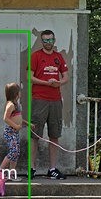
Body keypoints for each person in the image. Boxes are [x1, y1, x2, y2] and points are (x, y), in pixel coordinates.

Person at [30, 29, 69, 180]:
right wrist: (46, 83)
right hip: (39, 98)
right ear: (41, 41)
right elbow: (30, 77)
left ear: (54, 40)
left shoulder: (58, 57)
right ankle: (32, 168)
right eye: (45, 40)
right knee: (35, 134)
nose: (48, 43)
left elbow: (66, 76)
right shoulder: (36, 56)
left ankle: (52, 168)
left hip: (56, 100)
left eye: (50, 40)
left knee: (54, 135)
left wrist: (58, 83)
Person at [0, 82, 25, 181]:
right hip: (10, 131)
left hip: (15, 131)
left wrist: (27, 123)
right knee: (13, 151)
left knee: (16, 152)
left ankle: (12, 173)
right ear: (15, 94)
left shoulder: (16, 104)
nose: (20, 94)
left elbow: (17, 117)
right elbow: (5, 118)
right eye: (19, 92)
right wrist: (15, 126)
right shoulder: (10, 105)